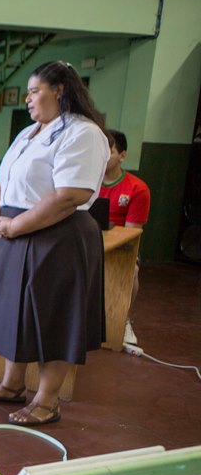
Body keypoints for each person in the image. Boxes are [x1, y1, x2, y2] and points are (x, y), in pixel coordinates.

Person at [0, 61, 109, 427]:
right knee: (13, 311)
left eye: (35, 91)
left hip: (57, 233)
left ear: (60, 90)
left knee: (53, 317)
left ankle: (47, 401)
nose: (28, 98)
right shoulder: (29, 133)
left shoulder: (82, 133)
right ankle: (11, 384)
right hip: (16, 230)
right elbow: (5, 177)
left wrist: (17, 224)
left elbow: (69, 195)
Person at [99, 129, 150, 346]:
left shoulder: (138, 189)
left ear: (122, 156)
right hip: (86, 241)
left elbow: (131, 234)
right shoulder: (87, 183)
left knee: (134, 270)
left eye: (109, 152)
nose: (102, 157)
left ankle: (123, 320)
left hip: (121, 246)